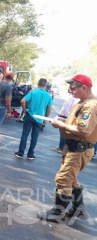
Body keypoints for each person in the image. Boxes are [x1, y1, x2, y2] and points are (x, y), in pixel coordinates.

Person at [37, 74, 97, 223]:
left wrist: (62, 125)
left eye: (73, 87)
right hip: (74, 147)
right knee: (71, 179)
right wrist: (64, 120)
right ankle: (78, 209)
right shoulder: (82, 102)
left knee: (63, 178)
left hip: (79, 149)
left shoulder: (90, 106)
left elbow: (85, 131)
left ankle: (58, 212)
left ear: (84, 87)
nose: (70, 90)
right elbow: (78, 123)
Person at [14, 78, 52, 160]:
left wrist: (24, 111)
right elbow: (49, 109)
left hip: (30, 115)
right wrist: (45, 118)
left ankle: (20, 152)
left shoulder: (33, 92)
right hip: (40, 118)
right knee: (35, 136)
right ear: (46, 85)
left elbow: (22, 101)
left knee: (25, 134)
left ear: (38, 84)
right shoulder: (49, 96)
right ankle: (30, 154)